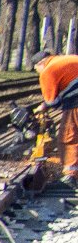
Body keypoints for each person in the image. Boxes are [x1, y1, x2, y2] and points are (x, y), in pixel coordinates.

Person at [32, 50, 78, 181]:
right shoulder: (70, 58)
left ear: (40, 64)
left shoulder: (48, 71)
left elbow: (52, 101)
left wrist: (43, 107)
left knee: (69, 137)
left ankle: (70, 175)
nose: (38, 73)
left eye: (36, 70)